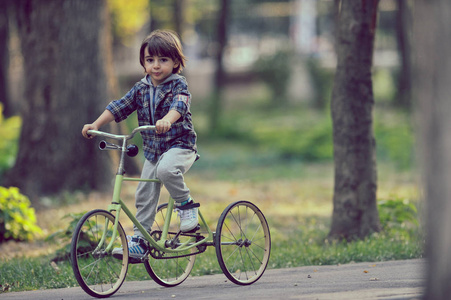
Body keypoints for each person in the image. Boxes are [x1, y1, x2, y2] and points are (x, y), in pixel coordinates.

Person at [82, 29, 198, 260]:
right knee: (143, 194)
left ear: (175, 62)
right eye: (150, 60)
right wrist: (95, 124)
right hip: (154, 152)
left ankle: (186, 206)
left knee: (167, 171)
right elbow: (119, 106)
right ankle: (141, 241)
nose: (156, 65)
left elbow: (180, 106)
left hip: (180, 146)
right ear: (143, 63)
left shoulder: (179, 85)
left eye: (163, 60)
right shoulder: (141, 88)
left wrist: (167, 120)